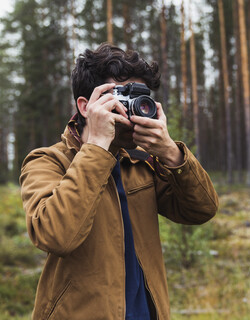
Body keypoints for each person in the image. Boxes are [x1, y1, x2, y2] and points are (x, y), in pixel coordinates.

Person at [19, 43, 218, 320]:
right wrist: (98, 147)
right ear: (85, 106)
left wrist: (171, 153)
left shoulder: (140, 161)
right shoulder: (47, 161)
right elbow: (56, 235)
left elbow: (201, 210)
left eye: (139, 99)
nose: (131, 111)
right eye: (120, 97)